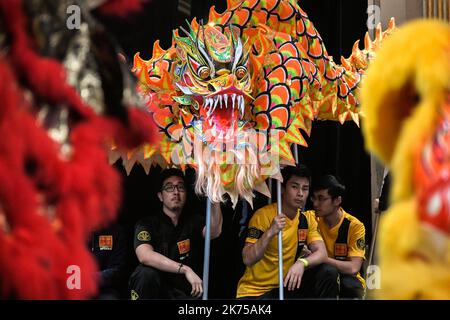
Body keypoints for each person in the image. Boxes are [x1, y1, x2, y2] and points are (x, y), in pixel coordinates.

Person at [236, 165, 339, 299]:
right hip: (256, 291)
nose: (300, 193)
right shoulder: (263, 216)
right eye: (295, 187)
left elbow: (322, 253)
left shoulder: (306, 219)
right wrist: (270, 232)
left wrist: (302, 263)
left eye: (305, 188)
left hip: (285, 286)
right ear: (283, 188)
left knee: (328, 272)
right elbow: (248, 258)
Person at [128, 168, 223, 299]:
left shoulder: (194, 221)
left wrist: (215, 197)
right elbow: (144, 255)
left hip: (181, 292)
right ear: (160, 196)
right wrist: (185, 269)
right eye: (169, 188)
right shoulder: (147, 223)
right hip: (154, 291)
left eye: (180, 187)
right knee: (146, 274)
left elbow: (214, 232)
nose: (176, 192)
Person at [309, 175, 366, 299]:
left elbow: (353, 268)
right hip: (322, 277)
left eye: (321, 198)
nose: (315, 203)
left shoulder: (354, 226)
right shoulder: (310, 218)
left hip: (348, 281)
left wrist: (321, 258)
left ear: (337, 201)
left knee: (348, 284)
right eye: (314, 198)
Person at [90, 222, 130, 299]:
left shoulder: (116, 231)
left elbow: (118, 269)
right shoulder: (72, 232)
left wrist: (93, 279)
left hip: (105, 289)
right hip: (77, 287)